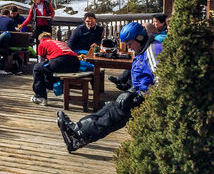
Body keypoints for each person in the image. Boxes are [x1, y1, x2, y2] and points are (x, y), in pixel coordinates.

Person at [57, 22, 161, 153]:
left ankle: (79, 136)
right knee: (111, 107)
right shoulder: (142, 49)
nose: (129, 47)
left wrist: (141, 95)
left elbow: (161, 80)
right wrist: (130, 87)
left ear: (139, 38)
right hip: (141, 93)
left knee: (116, 112)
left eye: (129, 44)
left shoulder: (153, 49)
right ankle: (78, 129)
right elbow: (143, 75)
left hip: (150, 100)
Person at [31, 32, 79, 106]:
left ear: (40, 39)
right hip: (75, 63)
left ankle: (40, 96)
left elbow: (41, 60)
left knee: (37, 68)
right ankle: (48, 87)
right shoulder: (60, 42)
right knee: (49, 67)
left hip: (60, 61)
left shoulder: (42, 44)